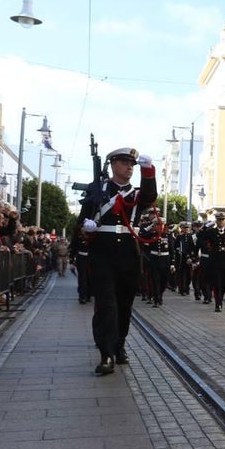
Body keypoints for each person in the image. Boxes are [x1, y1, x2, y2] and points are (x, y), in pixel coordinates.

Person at [72, 147, 157, 375]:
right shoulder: (97, 190)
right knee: (106, 305)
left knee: (124, 305)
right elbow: (81, 221)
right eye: (124, 163)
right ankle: (106, 353)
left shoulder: (136, 194)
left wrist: (148, 171)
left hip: (129, 255)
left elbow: (150, 197)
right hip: (102, 254)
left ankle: (119, 345)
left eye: (132, 165)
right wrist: (87, 226)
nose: (129, 168)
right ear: (113, 165)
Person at [198, 211, 225, 312]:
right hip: (214, 261)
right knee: (217, 283)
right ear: (216, 221)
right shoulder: (211, 232)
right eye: (218, 220)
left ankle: (220, 299)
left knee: (224, 284)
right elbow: (200, 236)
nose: (220, 222)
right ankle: (218, 303)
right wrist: (205, 226)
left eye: (222, 220)